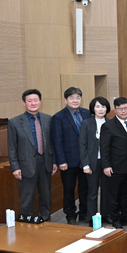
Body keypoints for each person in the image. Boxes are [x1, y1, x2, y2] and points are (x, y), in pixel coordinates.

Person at [7, 89, 57, 221]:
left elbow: (52, 143)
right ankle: (26, 221)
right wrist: (15, 167)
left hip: (45, 162)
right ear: (24, 103)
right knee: (26, 196)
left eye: (36, 100)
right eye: (29, 101)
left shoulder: (48, 119)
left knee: (46, 195)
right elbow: (12, 147)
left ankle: (45, 219)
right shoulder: (15, 122)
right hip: (25, 164)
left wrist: (54, 162)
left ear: (40, 101)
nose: (33, 103)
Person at [51, 87, 91, 224]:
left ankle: (84, 213)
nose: (75, 100)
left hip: (85, 160)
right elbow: (57, 141)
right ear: (65, 100)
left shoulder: (87, 113)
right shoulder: (58, 117)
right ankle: (70, 215)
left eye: (78, 97)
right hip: (68, 160)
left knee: (85, 188)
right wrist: (61, 160)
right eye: (72, 98)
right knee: (69, 190)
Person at [100, 97, 127, 229]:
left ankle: (126, 216)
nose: (123, 111)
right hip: (115, 167)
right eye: (120, 109)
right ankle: (115, 218)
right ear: (115, 110)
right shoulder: (108, 126)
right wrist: (106, 165)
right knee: (114, 194)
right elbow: (104, 148)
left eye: (126, 108)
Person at [79, 96, 111, 223]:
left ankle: (105, 214)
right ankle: (92, 216)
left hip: (106, 162)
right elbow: (82, 145)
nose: (100, 109)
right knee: (92, 191)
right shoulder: (86, 123)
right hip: (92, 163)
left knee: (106, 190)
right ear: (93, 109)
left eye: (103, 106)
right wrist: (85, 164)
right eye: (98, 106)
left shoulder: (110, 123)